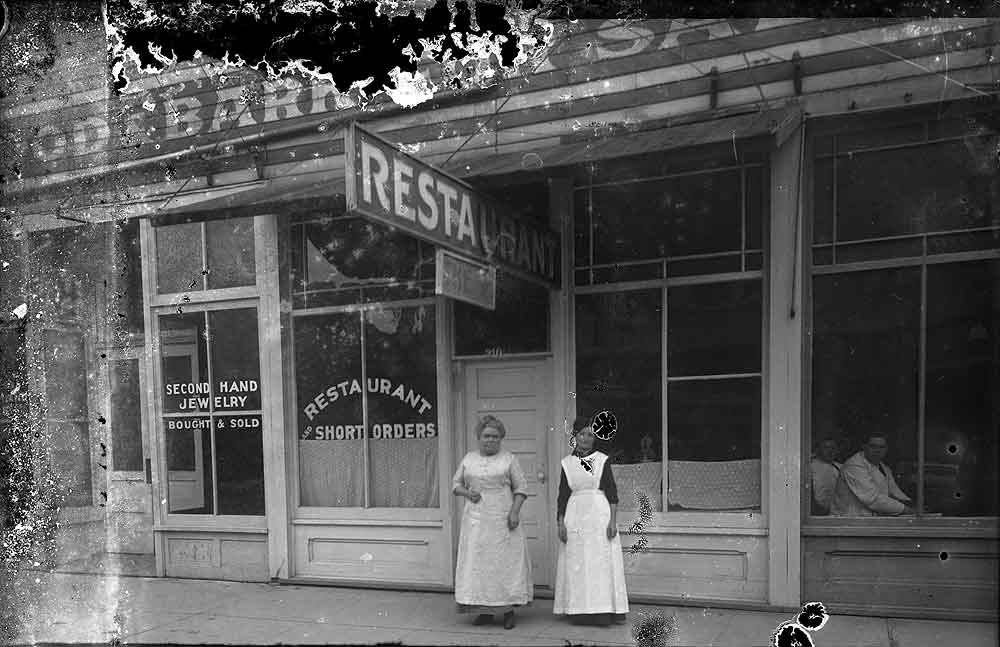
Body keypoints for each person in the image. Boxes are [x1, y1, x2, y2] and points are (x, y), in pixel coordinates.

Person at [451, 414, 533, 629]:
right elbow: (455, 484)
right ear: (479, 436)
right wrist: (468, 494)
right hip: (476, 519)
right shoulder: (469, 459)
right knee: (478, 564)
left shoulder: (509, 459)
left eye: (496, 437)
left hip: (502, 518)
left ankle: (507, 611)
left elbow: (521, 489)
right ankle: (484, 611)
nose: (491, 440)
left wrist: (514, 512)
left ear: (501, 438)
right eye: (487, 436)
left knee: (503, 563)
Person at [553, 416, 629, 626]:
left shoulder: (602, 460)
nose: (586, 438)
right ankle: (578, 610)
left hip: (599, 515)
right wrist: (561, 523)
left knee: (600, 562)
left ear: (594, 438)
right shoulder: (567, 463)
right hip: (575, 515)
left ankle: (603, 611)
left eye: (590, 434)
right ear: (575, 436)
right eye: (581, 434)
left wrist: (613, 521)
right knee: (577, 562)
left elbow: (612, 493)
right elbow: (562, 496)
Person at [831, 432, 915, 516]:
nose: (877, 450)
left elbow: (894, 492)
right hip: (848, 519)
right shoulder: (854, 466)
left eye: (881, 447)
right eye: (873, 446)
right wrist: (906, 509)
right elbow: (873, 499)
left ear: (886, 449)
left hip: (867, 520)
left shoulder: (883, 467)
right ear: (864, 447)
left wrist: (911, 504)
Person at [810, 438, 842, 515]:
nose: (830, 451)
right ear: (818, 450)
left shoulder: (841, 468)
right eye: (826, 448)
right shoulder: (809, 466)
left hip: (837, 512)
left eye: (833, 448)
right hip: (814, 512)